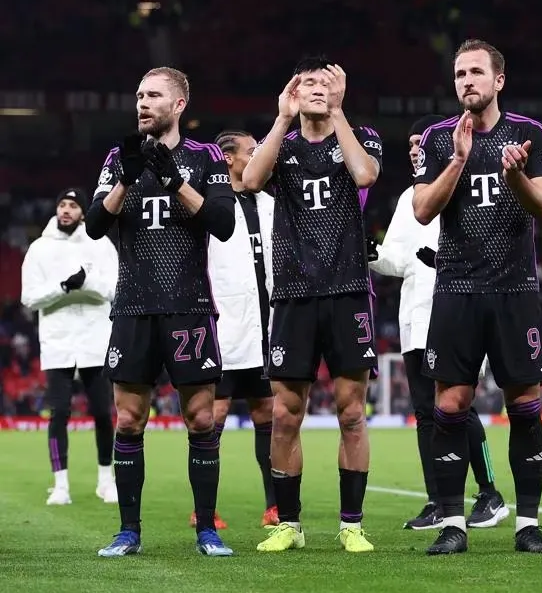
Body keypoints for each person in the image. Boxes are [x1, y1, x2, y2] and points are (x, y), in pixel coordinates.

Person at [411, 39, 542, 555]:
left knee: (524, 403)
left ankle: (528, 525)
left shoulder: (530, 134)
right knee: (449, 404)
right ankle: (454, 523)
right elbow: (423, 211)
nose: (466, 81)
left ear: (499, 80)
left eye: (476, 72)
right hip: (456, 288)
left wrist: (515, 175)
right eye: (459, 74)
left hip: (515, 290)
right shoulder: (435, 138)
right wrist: (457, 161)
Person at [86, 66, 237, 557]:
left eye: (153, 95)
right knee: (128, 420)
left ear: (178, 105)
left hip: (189, 308)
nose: (142, 103)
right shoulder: (118, 158)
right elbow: (93, 225)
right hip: (133, 306)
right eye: (138, 95)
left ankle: (206, 531)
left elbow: (222, 223)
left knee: (199, 420)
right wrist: (125, 181)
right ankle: (128, 532)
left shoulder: (206, 157)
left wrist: (173, 180)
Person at [243, 57, 381, 554]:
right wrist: (281, 120)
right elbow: (252, 181)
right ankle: (290, 524)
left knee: (351, 413)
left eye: (327, 84)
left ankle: (351, 524)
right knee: (285, 413)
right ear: (293, 94)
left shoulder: (359, 136)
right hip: (294, 296)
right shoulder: (283, 146)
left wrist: (340, 113)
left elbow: (365, 176)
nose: (318, 90)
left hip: (347, 292)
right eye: (309, 84)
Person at [368, 114, 508, 531]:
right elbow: (397, 259)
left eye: (422, 142)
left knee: (457, 407)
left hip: (457, 310)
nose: (415, 148)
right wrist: (370, 253)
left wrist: (443, 261)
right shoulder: (407, 200)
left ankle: (489, 493)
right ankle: (438, 501)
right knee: (426, 413)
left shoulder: (463, 183)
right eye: (411, 143)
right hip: (414, 316)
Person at [185, 130, 278, 531]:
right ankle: (204, 509)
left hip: (266, 326)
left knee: (267, 412)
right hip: (223, 327)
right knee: (212, 414)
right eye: (253, 151)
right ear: (227, 159)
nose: (260, 158)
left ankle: (274, 506)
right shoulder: (209, 207)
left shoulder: (272, 204)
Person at [20, 187, 119, 506]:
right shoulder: (39, 249)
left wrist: (85, 282)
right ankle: (60, 484)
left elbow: (115, 289)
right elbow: (29, 297)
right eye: (62, 204)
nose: (66, 210)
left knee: (103, 414)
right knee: (59, 413)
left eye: (73, 206)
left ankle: (106, 480)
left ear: (83, 211)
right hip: (58, 341)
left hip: (95, 339)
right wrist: (64, 287)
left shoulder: (100, 243)